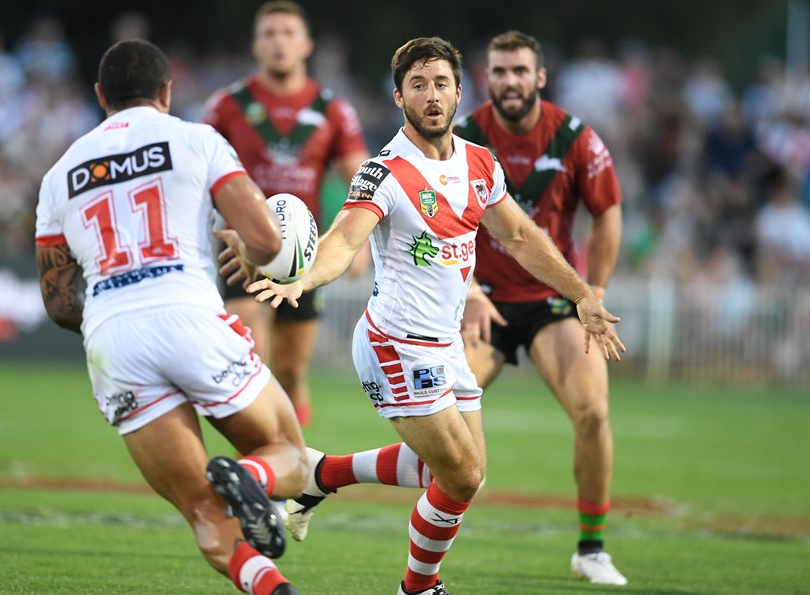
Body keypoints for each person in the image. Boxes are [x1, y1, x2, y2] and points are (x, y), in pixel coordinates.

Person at [226, 36, 625, 595]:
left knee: (459, 471)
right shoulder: (384, 171)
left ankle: (318, 475)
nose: (431, 95)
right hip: (397, 343)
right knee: (461, 475)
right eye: (418, 85)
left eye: (441, 84)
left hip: (446, 345)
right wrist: (304, 277)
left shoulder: (479, 163)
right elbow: (343, 241)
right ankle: (419, 588)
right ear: (398, 97)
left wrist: (581, 293)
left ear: (460, 92)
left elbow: (519, 235)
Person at [34, 39, 309, 595]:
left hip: (112, 337)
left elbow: (60, 302)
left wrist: (116, 313)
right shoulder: (195, 139)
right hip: (188, 313)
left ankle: (273, 590)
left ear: (99, 97)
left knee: (204, 512)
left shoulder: (58, 174)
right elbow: (264, 239)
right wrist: (243, 244)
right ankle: (250, 476)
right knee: (290, 458)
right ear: (166, 91)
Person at [452, 31, 627, 585]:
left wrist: (593, 293)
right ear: (488, 78)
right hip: (483, 302)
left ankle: (591, 549)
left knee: (593, 412)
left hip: (554, 304)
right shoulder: (464, 136)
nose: (508, 81)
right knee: (444, 414)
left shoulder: (576, 138)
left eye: (519, 71)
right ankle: (431, 541)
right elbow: (435, 215)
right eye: (499, 72)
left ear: (539, 77)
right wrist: (469, 287)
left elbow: (608, 212)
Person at [201, 0, 370, 428]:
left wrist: (361, 240)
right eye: (269, 34)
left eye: (288, 33)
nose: (279, 42)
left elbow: (363, 178)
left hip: (302, 252)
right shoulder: (226, 106)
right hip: (243, 246)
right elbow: (197, 173)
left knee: (292, 369)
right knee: (249, 355)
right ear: (255, 45)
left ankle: (293, 470)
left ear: (306, 44)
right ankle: (261, 466)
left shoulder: (333, 110)